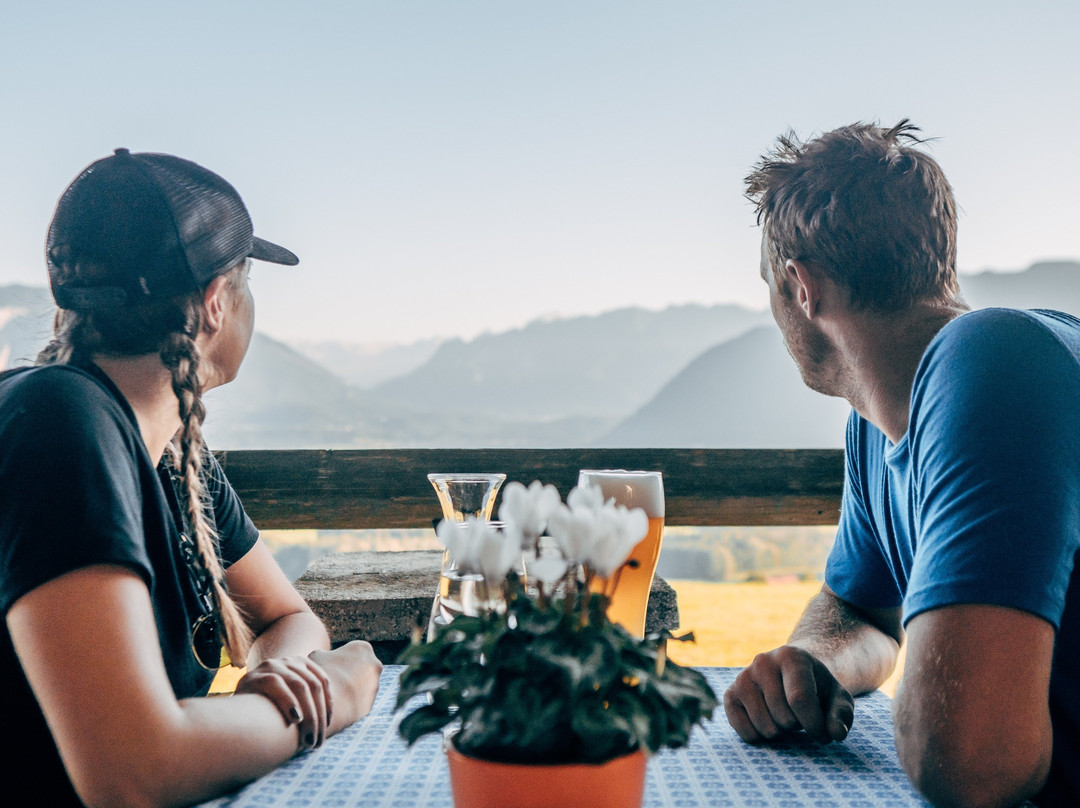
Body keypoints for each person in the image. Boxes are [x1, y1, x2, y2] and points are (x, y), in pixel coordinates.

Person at [0, 149, 383, 808]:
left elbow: (287, 616)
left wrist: (285, 678)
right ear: (214, 304)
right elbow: (132, 770)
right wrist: (336, 695)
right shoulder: (59, 425)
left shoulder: (173, 453)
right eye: (247, 283)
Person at [723, 121, 1080, 808]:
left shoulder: (998, 359)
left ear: (801, 287)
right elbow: (856, 610)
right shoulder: (877, 423)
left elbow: (972, 767)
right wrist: (814, 665)